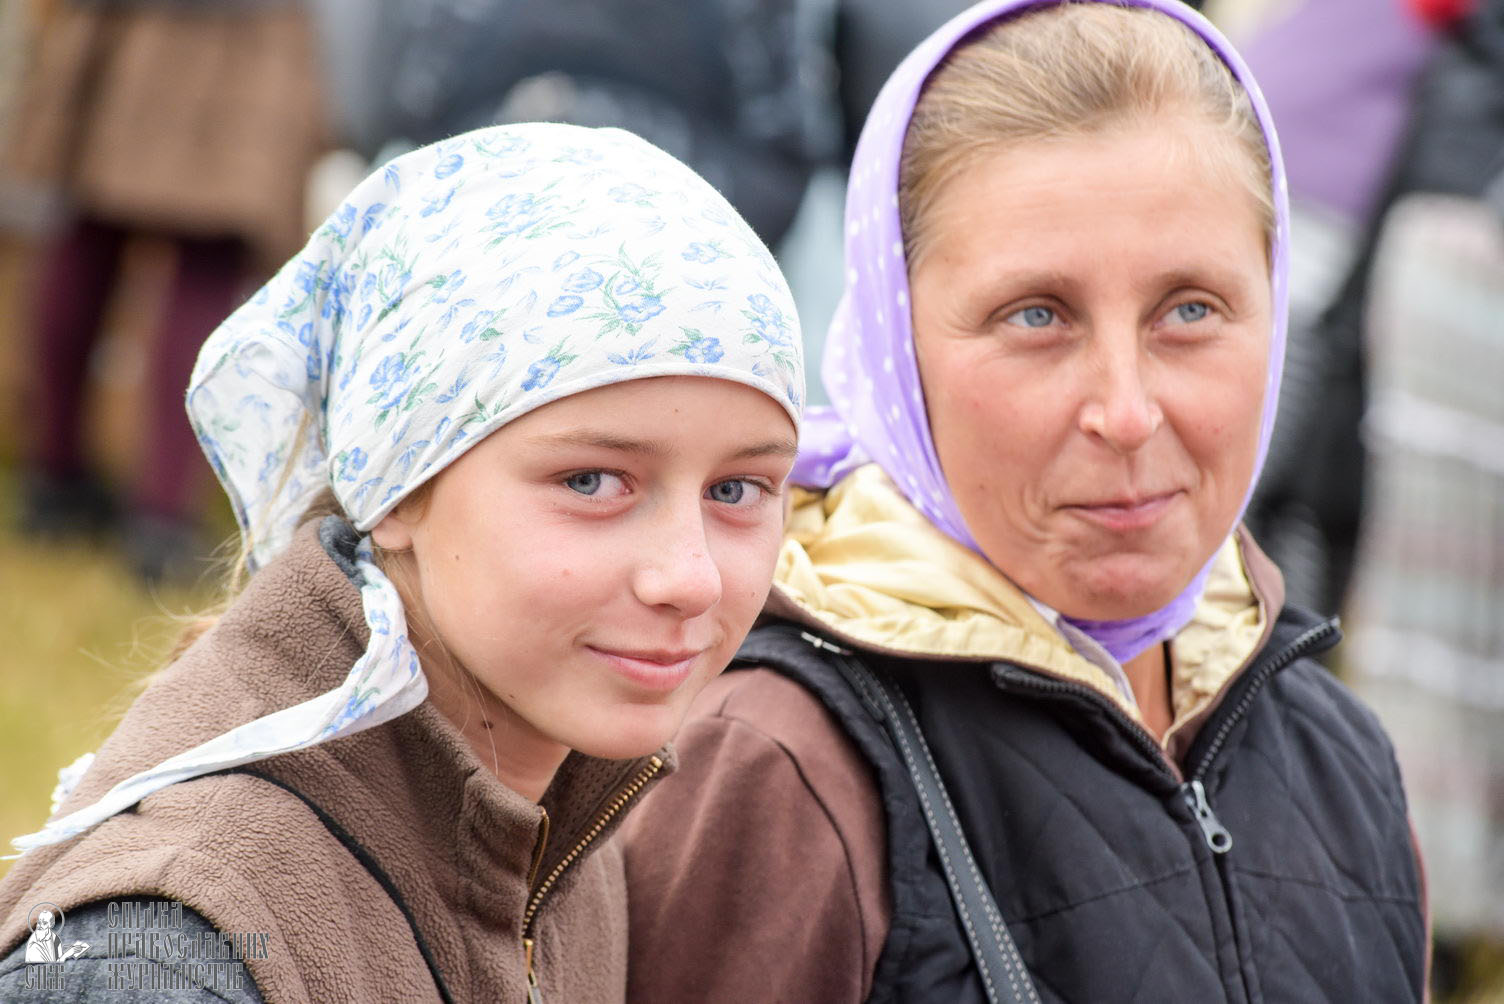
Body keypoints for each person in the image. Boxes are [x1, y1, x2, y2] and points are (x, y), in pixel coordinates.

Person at [620, 1, 1428, 1001]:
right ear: (894, 342)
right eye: (1036, 316)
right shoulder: (783, 768)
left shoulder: (1332, 746)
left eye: (1190, 310)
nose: (1126, 412)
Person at [0, 122, 803, 1001]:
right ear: (396, 489)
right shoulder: (168, 959)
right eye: (591, 479)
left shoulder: (560, 804)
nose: (689, 577)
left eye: (738, 489)